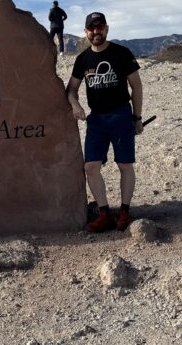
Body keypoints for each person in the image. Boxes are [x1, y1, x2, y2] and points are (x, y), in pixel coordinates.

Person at [66, 12, 143, 232]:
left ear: (107, 29)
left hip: (121, 115)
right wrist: (75, 105)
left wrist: (137, 117)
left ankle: (125, 212)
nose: (96, 31)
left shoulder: (121, 53)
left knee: (124, 165)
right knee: (90, 167)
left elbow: (136, 86)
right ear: (86, 32)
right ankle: (104, 213)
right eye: (92, 28)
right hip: (97, 119)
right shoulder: (83, 59)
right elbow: (71, 89)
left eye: (100, 27)